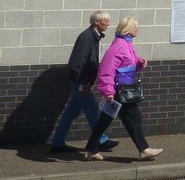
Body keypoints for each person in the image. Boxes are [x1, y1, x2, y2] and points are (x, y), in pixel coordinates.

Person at [84, 17, 162, 161]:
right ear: (128, 29)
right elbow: (107, 70)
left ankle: (90, 149)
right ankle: (144, 149)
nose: (137, 29)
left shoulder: (127, 44)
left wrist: (139, 63)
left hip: (124, 89)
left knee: (104, 121)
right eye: (135, 27)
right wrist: (108, 91)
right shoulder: (119, 46)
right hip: (120, 91)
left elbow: (127, 66)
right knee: (134, 117)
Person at [50, 11, 119, 154]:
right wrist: (85, 82)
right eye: (105, 20)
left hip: (81, 81)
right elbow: (77, 63)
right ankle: (102, 140)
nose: (108, 23)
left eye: (108, 20)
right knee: (93, 110)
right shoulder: (87, 37)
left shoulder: (93, 37)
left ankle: (57, 143)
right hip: (82, 82)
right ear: (96, 22)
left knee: (70, 113)